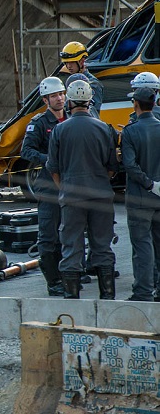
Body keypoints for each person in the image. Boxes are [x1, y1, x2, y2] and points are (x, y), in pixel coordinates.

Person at [47, 80, 118, 300]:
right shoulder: (104, 128)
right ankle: (107, 298)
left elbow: (54, 168)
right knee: (102, 245)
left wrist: (64, 189)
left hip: (71, 196)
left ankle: (72, 301)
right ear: (90, 101)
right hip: (101, 194)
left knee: (71, 245)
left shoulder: (59, 130)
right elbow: (112, 168)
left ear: (69, 101)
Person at [19, 77, 66, 296]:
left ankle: (71, 274)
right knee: (48, 236)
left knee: (70, 234)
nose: (60, 98)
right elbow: (26, 151)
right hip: (49, 189)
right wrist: (49, 160)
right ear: (46, 99)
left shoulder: (72, 119)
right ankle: (53, 281)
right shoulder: (39, 123)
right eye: (55, 96)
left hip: (71, 188)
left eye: (62, 94)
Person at [121, 88, 160, 302]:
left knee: (142, 246)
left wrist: (149, 184)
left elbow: (129, 165)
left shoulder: (130, 131)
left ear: (135, 104)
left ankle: (143, 292)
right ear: (154, 103)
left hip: (140, 198)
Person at [60, 41, 104, 118]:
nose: (69, 66)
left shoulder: (93, 84)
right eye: (66, 63)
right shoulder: (69, 81)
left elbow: (92, 111)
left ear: (82, 61)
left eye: (72, 62)